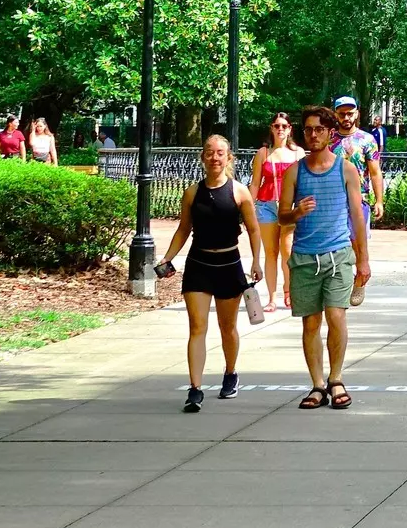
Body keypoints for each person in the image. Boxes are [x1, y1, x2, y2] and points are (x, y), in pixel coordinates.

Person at [156, 134, 264, 411]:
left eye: (220, 153)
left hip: (229, 265)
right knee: (197, 327)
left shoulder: (239, 192)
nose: (215, 157)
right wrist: (168, 258)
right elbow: (183, 229)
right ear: (202, 157)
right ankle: (195, 389)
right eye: (209, 152)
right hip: (199, 265)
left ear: (229, 158)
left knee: (227, 327)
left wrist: (256, 261)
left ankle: (230, 373)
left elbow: (253, 229)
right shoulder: (192, 193)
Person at [283, 104, 372, 410]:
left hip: (338, 255)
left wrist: (363, 259)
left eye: (319, 129)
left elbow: (358, 217)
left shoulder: (345, 168)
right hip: (306, 258)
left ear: (330, 133)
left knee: (336, 316)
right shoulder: (295, 171)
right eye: (308, 129)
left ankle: (336, 379)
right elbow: (282, 217)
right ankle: (317, 384)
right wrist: (296, 211)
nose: (313, 135)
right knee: (310, 324)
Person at [250, 111, 302, 310]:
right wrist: (248, 209)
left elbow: (304, 182)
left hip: (289, 206)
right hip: (266, 204)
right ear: (271, 128)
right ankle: (272, 298)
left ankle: (288, 290)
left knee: (287, 250)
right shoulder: (263, 153)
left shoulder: (298, 153)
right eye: (276, 126)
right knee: (270, 253)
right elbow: (255, 183)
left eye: (284, 126)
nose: (280, 129)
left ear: (290, 129)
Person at [330, 94, 386, 225]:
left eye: (350, 114)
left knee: (359, 243)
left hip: (360, 200)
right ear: (336, 115)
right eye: (342, 114)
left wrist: (379, 201)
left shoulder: (367, 140)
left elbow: (375, 172)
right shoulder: (329, 140)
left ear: (356, 114)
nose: (346, 118)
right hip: (333, 201)